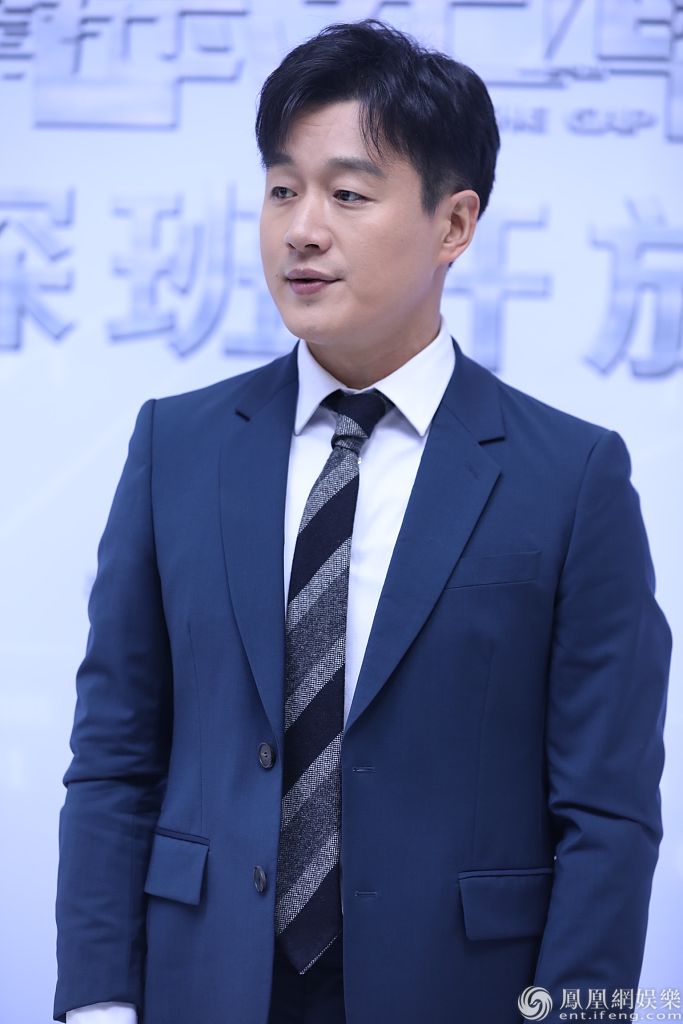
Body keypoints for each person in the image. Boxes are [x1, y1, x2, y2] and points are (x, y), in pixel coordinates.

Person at [53, 18, 671, 1024]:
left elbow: (607, 817)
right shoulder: (179, 445)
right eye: (281, 189)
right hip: (201, 988)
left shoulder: (570, 477)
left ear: (453, 224)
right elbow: (113, 759)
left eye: (346, 194)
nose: (301, 229)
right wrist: (97, 1003)